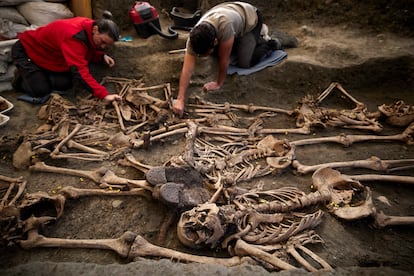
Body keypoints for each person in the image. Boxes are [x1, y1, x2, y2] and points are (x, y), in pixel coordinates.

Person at [173, 1, 280, 117]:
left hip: (250, 18)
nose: (201, 58)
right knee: (219, 51)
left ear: (215, 41)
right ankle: (240, 41)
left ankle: (269, 42)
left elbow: (224, 60)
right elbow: (187, 69)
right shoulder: (194, 38)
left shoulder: (225, 26)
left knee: (244, 62)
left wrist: (218, 83)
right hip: (228, 12)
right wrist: (180, 99)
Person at [11, 11, 122, 102]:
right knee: (40, 91)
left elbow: (87, 46)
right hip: (27, 50)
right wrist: (104, 95)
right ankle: (21, 79)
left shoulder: (91, 28)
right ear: (96, 30)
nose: (103, 47)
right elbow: (79, 71)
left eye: (107, 45)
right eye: (103, 42)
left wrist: (101, 56)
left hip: (49, 56)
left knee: (65, 84)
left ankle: (38, 74)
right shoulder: (74, 36)